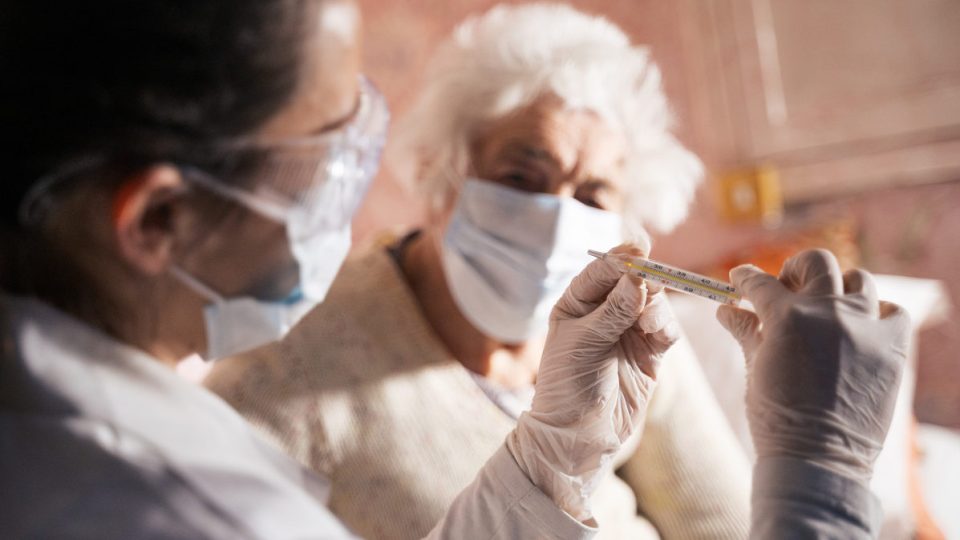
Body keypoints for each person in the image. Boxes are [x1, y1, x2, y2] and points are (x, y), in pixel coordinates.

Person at [0, 1, 677, 537]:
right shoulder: (202, 515)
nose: (344, 204)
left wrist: (551, 460)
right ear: (158, 221)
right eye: (323, 161)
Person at [205, 4, 750, 539]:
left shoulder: (627, 326)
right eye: (520, 177)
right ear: (441, 173)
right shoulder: (291, 369)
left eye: (592, 195)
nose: (556, 220)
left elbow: (726, 524)